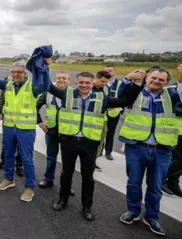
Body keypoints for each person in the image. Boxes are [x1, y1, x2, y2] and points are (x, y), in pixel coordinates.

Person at [47, 68, 145, 221]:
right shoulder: (66, 94)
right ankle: (62, 199)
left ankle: (87, 206)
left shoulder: (102, 98)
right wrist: (43, 65)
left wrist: (135, 82)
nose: (84, 85)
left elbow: (126, 100)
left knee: (88, 177)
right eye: (81, 82)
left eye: (87, 83)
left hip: (89, 143)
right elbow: (47, 85)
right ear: (75, 83)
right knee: (66, 173)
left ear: (92, 84)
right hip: (69, 141)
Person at [119, 65, 182, 236]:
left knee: (155, 186)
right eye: (153, 78)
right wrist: (128, 77)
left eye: (161, 80)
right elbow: (120, 94)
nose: (156, 81)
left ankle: (152, 216)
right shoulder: (136, 93)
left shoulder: (173, 95)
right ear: (147, 78)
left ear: (167, 82)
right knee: (133, 182)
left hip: (162, 149)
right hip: (136, 146)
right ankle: (133, 211)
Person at [0, 55, 50, 203]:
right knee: (8, 155)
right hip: (8, 126)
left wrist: (45, 68)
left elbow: (45, 85)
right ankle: (8, 179)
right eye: (13, 72)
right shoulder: (8, 84)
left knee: (26, 159)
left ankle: (29, 187)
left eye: (19, 72)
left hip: (25, 129)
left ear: (25, 73)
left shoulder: (32, 87)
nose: (15, 75)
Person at [36, 72, 71, 188]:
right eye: (58, 78)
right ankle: (48, 179)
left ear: (69, 80)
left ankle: (67, 184)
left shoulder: (74, 94)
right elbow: (35, 107)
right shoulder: (47, 93)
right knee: (51, 157)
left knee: (68, 161)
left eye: (64, 78)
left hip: (69, 133)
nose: (61, 80)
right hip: (51, 132)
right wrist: (40, 123)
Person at [0, 90, 22, 174]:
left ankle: (19, 165)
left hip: (21, 119)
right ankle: (3, 161)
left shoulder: (27, 84)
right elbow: (2, 98)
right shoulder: (7, 83)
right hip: (8, 119)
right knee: (6, 141)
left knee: (20, 143)